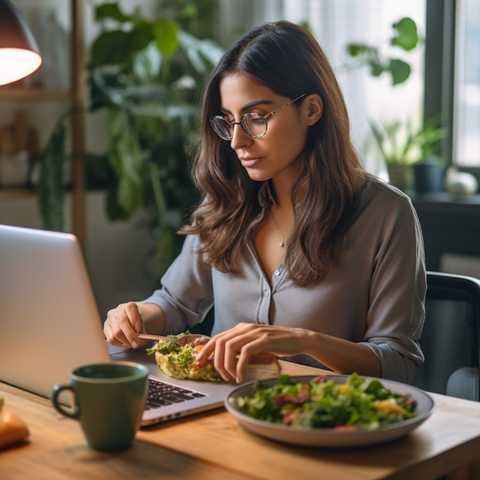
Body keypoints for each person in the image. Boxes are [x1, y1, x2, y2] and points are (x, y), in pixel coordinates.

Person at [104, 20, 426, 385]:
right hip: (217, 411)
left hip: (313, 422)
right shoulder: (226, 201)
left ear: (312, 110)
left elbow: (398, 363)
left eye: (256, 118)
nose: (237, 141)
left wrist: (303, 341)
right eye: (229, 121)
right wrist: (133, 316)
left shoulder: (385, 214)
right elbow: (174, 304)